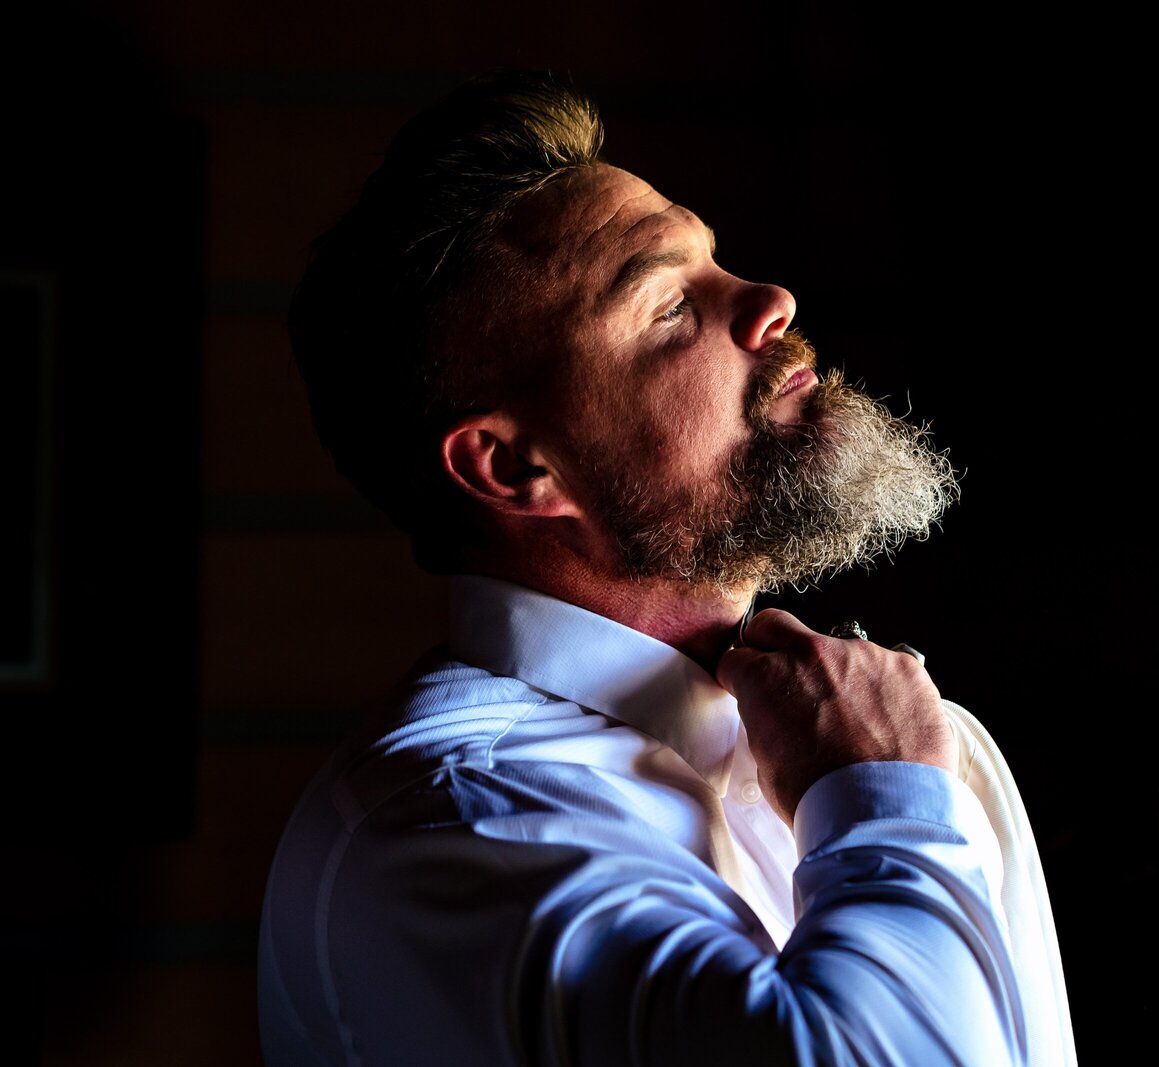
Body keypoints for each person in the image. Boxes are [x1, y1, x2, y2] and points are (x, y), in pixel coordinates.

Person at [257, 69, 1075, 1066]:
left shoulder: (917, 742)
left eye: (716, 260)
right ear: (515, 465)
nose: (770, 302)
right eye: (668, 307)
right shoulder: (451, 824)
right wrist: (882, 803)